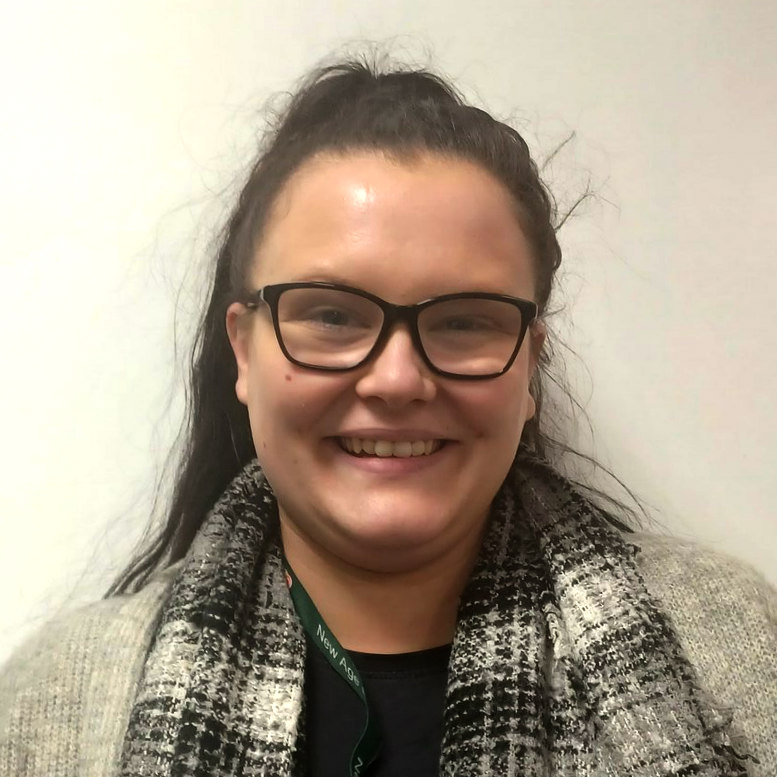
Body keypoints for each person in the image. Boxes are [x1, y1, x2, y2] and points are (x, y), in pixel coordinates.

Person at [1, 58, 775, 777]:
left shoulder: (741, 652)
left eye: (466, 320)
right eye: (332, 315)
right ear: (243, 349)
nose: (397, 378)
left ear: (528, 362)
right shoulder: (51, 709)